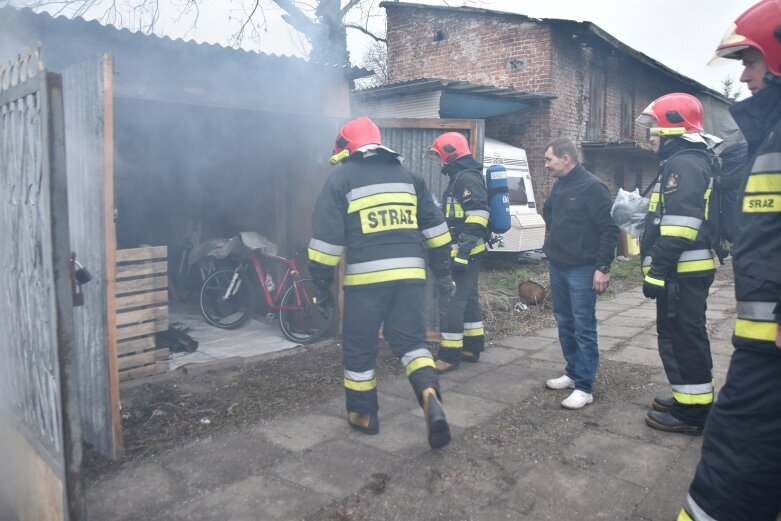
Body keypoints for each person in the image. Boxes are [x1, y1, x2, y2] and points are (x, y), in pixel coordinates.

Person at [679, 1, 781, 518]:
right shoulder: (768, 134)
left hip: (771, 353)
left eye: (752, 60)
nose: (744, 75)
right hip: (762, 344)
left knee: (727, 483)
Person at [307, 116, 453, 449]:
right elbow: (437, 232)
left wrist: (320, 284)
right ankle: (429, 393)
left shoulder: (340, 180)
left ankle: (364, 415)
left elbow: (326, 244)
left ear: (349, 148)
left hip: (366, 283)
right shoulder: (410, 178)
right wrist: (443, 271)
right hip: (411, 279)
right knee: (412, 343)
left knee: (360, 347)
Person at [634, 93, 722, 435]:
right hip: (681, 273)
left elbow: (682, 227)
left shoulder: (683, 164)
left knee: (684, 338)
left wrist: (657, 272)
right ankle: (687, 400)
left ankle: (694, 414)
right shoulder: (687, 161)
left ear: (673, 126)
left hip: (682, 273)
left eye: (654, 128)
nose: (650, 135)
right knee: (677, 336)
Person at [542, 138, 619, 409]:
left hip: (583, 268)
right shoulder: (560, 185)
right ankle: (573, 373)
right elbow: (548, 211)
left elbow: (610, 230)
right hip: (559, 264)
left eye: (549, 159)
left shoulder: (593, 187)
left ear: (566, 158)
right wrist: (559, 238)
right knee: (564, 321)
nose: (546, 165)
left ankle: (585, 387)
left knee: (583, 326)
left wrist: (602, 267)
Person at [427, 132, 490, 372]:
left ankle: (449, 356)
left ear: (448, 154)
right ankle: (472, 347)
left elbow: (479, 214)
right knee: (469, 298)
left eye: (439, 155)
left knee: (451, 301)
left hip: (465, 252)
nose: (438, 161)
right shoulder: (462, 176)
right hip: (470, 251)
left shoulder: (466, 179)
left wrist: (462, 254)